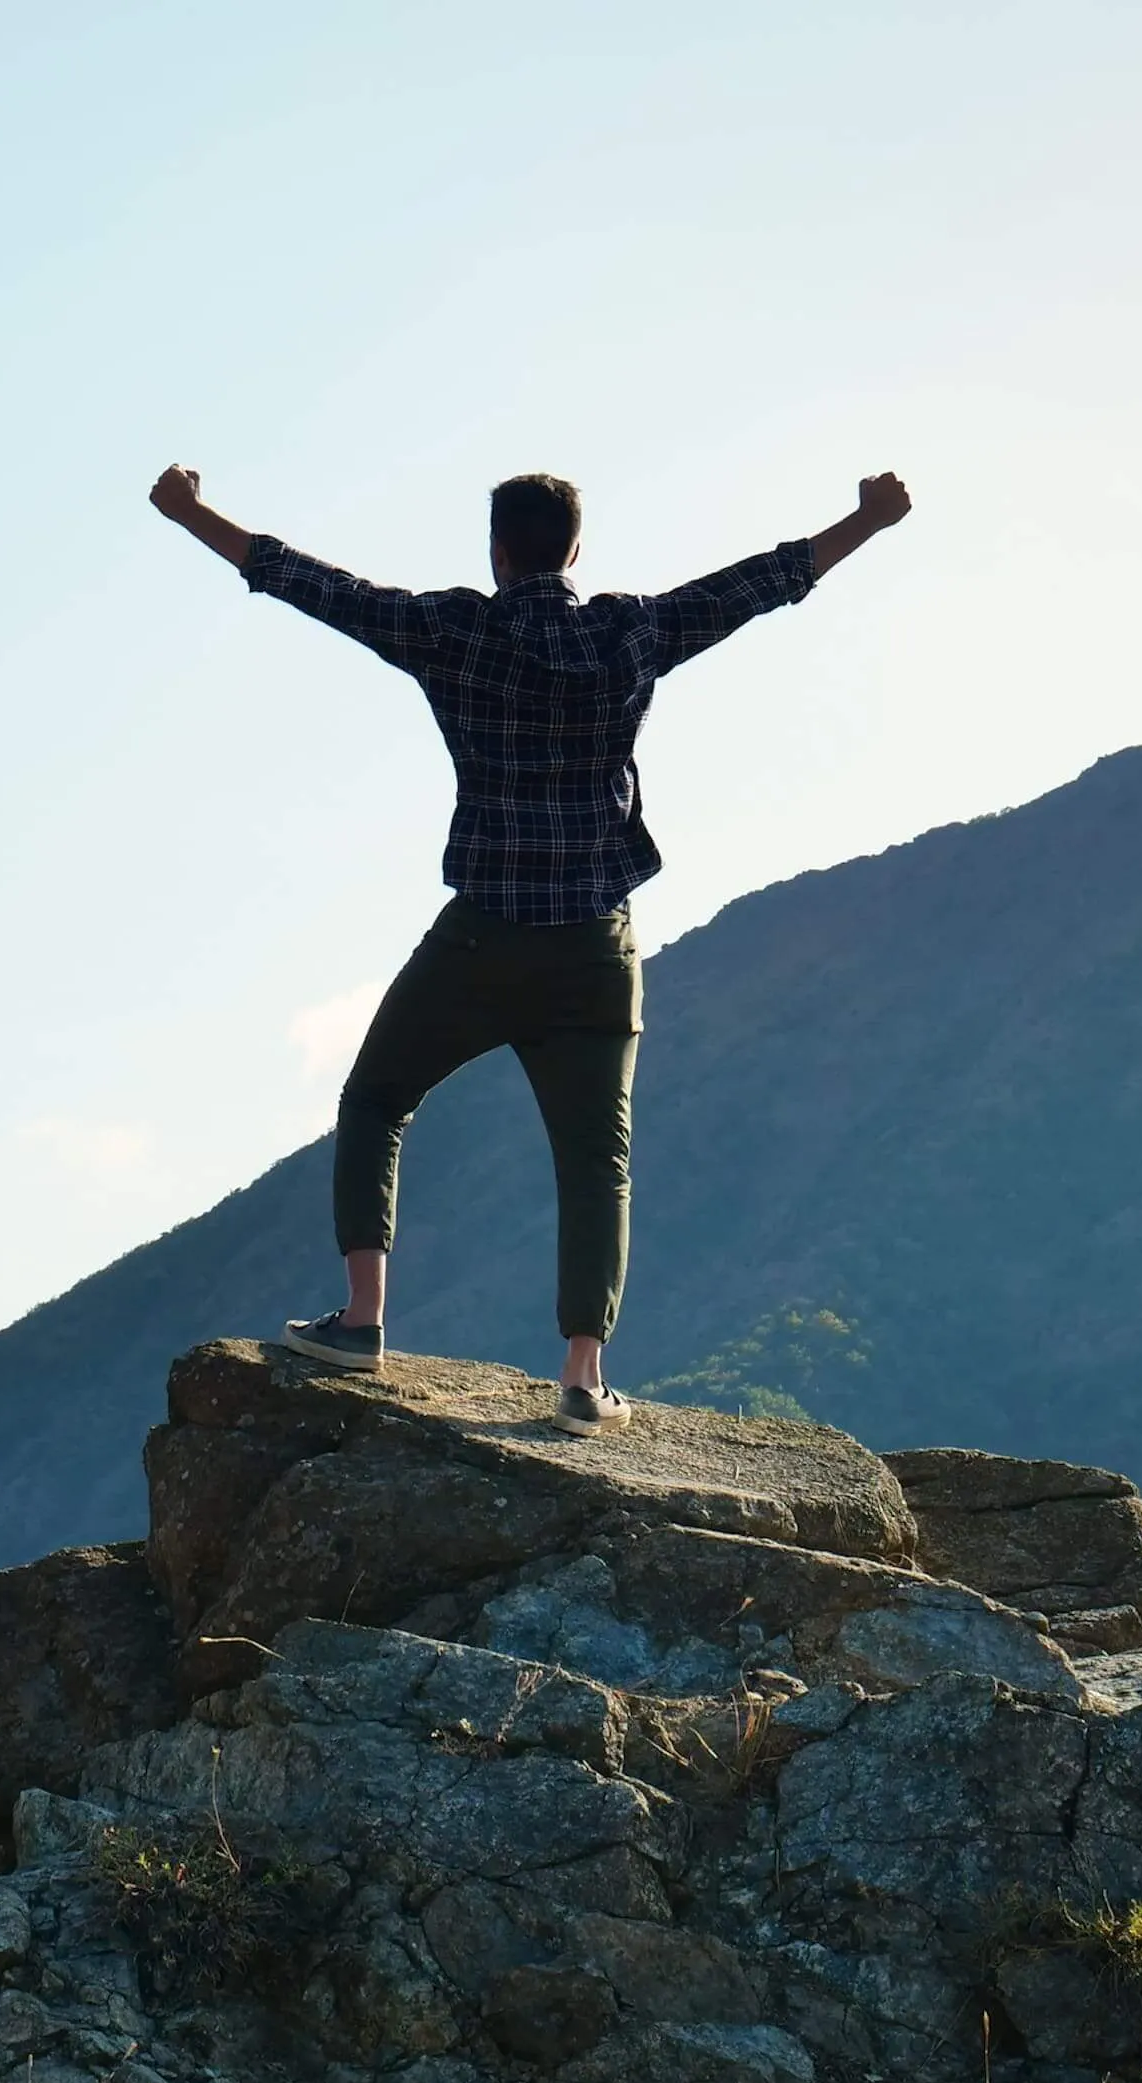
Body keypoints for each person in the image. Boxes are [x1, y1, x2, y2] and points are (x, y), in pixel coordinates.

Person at [151, 462, 911, 1433]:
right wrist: (866, 522)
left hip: (482, 939)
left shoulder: (454, 631)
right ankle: (584, 1378)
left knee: (377, 1100)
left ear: (498, 552)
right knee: (598, 1163)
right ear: (576, 552)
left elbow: (311, 583)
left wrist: (190, 515)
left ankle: (363, 1320)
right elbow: (763, 582)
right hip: (595, 946)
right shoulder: (627, 632)